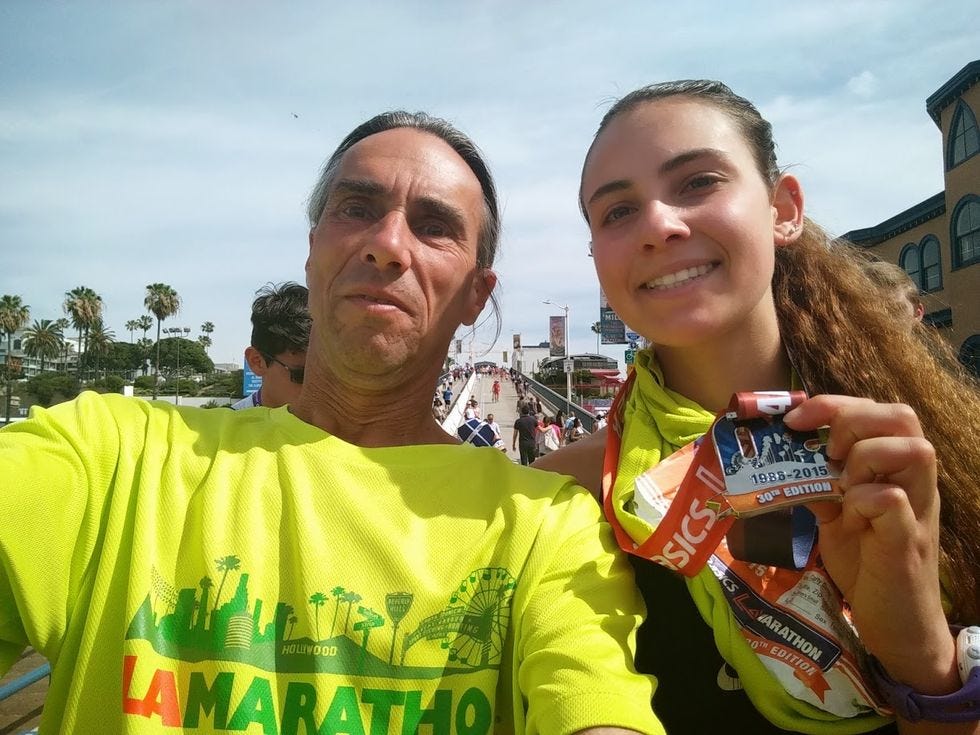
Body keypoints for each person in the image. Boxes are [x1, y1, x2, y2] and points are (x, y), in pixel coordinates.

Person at [0, 111, 662, 734]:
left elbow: (590, 692)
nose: (386, 244)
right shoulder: (115, 455)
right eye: (357, 209)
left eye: (433, 226)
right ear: (314, 250)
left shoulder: (544, 525)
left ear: (474, 295)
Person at [536, 80, 980, 734]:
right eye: (617, 212)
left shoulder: (926, 455)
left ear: (783, 209)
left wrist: (922, 655)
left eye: (697, 182)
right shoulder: (565, 494)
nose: (659, 223)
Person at [230, 281, 311, 409]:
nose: (321, 387)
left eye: (331, 374)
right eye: (301, 376)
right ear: (257, 361)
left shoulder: (347, 426)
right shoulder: (223, 428)